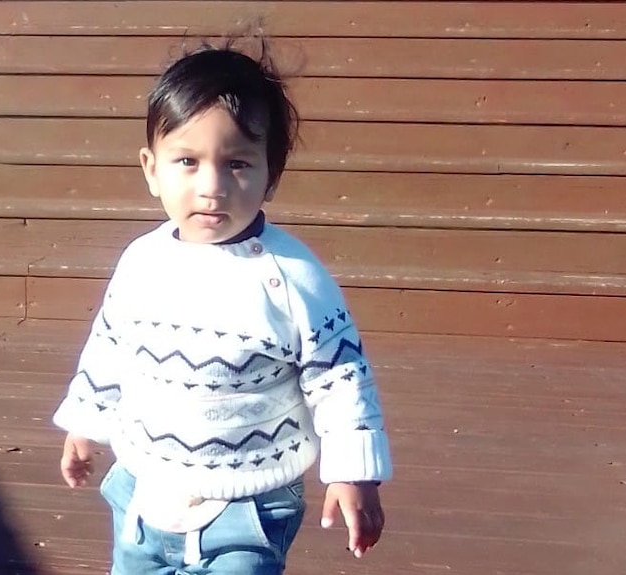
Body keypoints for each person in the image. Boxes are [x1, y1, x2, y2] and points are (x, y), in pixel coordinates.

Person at [52, 39, 392, 575]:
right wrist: (86, 423)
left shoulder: (291, 276)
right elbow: (110, 346)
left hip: (249, 504)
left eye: (236, 164)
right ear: (151, 168)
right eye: (187, 161)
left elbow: (340, 377)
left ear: (270, 175)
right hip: (143, 491)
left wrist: (354, 472)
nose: (211, 187)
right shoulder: (142, 262)